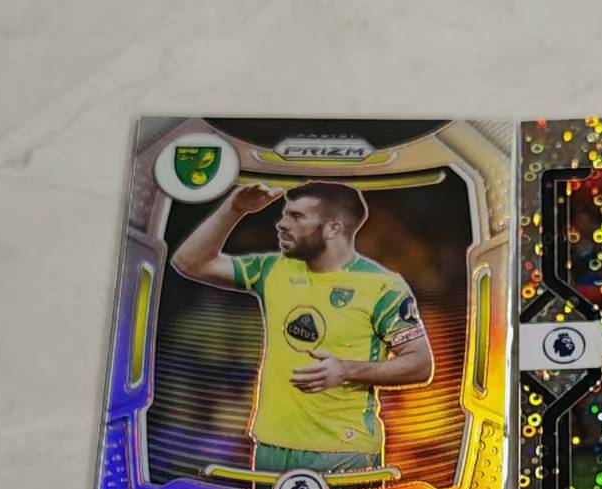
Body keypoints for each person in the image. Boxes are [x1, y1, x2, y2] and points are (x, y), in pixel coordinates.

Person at [171, 180, 432, 473]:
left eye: (296, 216)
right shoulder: (272, 269)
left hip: (342, 450)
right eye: (285, 214)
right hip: (271, 447)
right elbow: (188, 262)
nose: (282, 224)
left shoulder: (382, 286)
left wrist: (346, 370)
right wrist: (233, 209)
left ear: (333, 229)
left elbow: (420, 363)